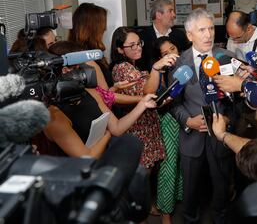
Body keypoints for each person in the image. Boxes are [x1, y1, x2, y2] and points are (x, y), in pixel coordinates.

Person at [32, 40, 157, 158]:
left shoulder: (89, 92)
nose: (87, 69)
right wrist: (107, 134)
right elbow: (87, 157)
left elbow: (117, 128)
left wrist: (142, 105)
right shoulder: (54, 116)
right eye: (81, 67)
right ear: (66, 71)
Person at [169, 8, 234, 224]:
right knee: (190, 193)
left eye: (211, 28)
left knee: (221, 190)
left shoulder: (228, 59)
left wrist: (227, 119)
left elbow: (240, 102)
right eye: (201, 30)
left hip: (221, 136)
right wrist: (187, 120)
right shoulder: (179, 63)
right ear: (189, 35)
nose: (208, 35)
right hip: (191, 137)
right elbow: (173, 103)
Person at [110, 26, 178, 169]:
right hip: (138, 131)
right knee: (142, 177)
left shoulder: (134, 66)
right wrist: (155, 69)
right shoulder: (122, 68)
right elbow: (147, 94)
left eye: (139, 43)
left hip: (147, 128)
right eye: (131, 45)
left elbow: (150, 96)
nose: (137, 48)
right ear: (120, 49)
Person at [142, 37, 184, 224]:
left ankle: (175, 200)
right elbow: (150, 97)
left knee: (180, 166)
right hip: (168, 121)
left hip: (186, 121)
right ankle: (165, 214)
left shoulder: (187, 66)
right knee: (168, 168)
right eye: (165, 53)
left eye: (173, 48)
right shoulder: (159, 73)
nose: (172, 54)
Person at [68, 2, 140, 109]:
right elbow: (106, 97)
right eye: (102, 29)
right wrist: (142, 99)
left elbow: (103, 93)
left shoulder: (92, 54)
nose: (104, 30)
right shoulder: (85, 58)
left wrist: (116, 87)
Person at [140, 0, 190, 71]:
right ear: (159, 15)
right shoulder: (143, 37)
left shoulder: (180, 35)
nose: (174, 15)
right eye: (170, 11)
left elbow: (187, 60)